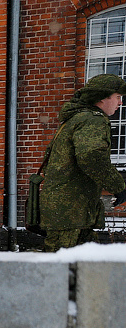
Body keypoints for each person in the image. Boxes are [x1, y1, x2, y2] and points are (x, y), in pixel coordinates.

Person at [39, 73, 126, 252]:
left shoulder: (77, 118)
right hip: (71, 213)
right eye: (118, 97)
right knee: (62, 270)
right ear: (102, 97)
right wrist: (119, 186)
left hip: (68, 211)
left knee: (79, 269)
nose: (120, 103)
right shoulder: (93, 120)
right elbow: (91, 157)